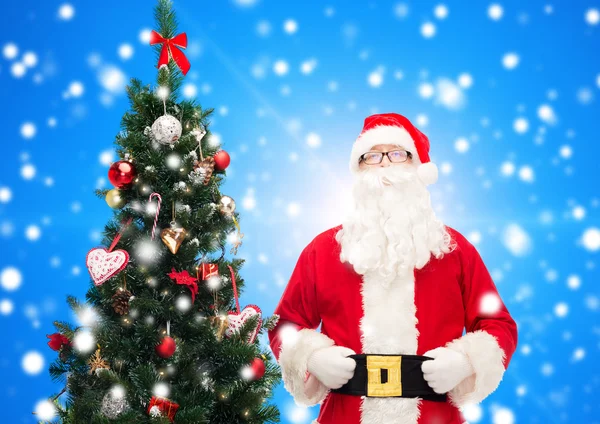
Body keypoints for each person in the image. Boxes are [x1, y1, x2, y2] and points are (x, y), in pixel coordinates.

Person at [267, 112, 518, 424]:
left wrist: (464, 361)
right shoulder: (322, 250)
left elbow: (499, 326)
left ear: (417, 168)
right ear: (358, 170)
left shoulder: (455, 250)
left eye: (398, 154)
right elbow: (284, 325)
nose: (384, 163)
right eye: (372, 156)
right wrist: (313, 357)